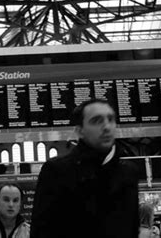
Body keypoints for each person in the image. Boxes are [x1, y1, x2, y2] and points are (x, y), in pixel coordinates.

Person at [30, 99, 139, 238]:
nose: (107, 126)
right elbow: (40, 232)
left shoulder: (128, 173)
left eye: (111, 119)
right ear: (79, 131)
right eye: (96, 121)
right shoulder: (57, 171)